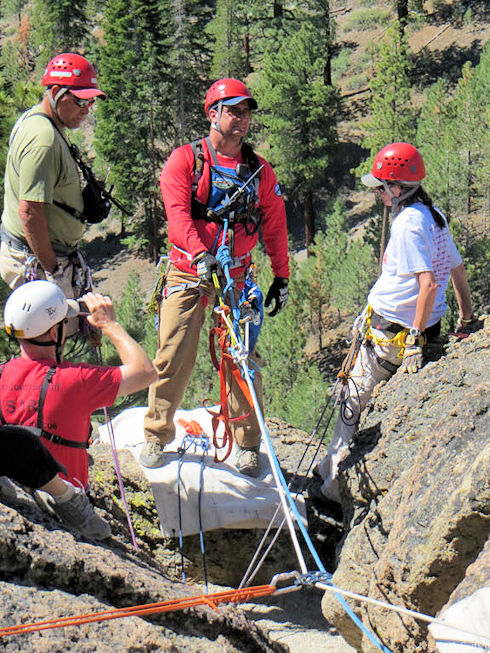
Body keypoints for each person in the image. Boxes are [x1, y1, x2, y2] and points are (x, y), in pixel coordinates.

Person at [141, 78, 290, 477]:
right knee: (174, 350)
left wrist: (282, 275)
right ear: (213, 114)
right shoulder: (184, 161)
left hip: (237, 273)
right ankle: (156, 434)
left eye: (246, 112)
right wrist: (201, 253)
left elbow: (274, 224)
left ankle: (247, 444)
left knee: (241, 359)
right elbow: (177, 216)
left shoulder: (260, 172)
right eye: (233, 110)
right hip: (188, 270)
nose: (241, 119)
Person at [315, 142, 474, 502]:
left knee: (350, 406)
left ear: (397, 188)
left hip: (391, 336)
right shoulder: (434, 216)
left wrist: (414, 339)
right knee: (351, 405)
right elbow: (456, 269)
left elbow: (429, 283)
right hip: (410, 329)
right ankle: (327, 470)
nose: (377, 193)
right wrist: (465, 318)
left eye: (381, 187)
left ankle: (331, 487)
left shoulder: (407, 224)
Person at [0, 280, 157, 538]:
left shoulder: (2, 374)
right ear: (53, 334)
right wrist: (110, 325)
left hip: (19, 490)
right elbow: (145, 372)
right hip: (67, 504)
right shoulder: (75, 380)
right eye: (65, 323)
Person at [0, 52, 106, 314]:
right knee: (50, 343)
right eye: (80, 101)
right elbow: (30, 212)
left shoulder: (42, 123)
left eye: (90, 102)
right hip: (37, 262)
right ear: (57, 92)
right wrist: (54, 272)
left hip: (40, 255)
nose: (87, 109)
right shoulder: (43, 140)